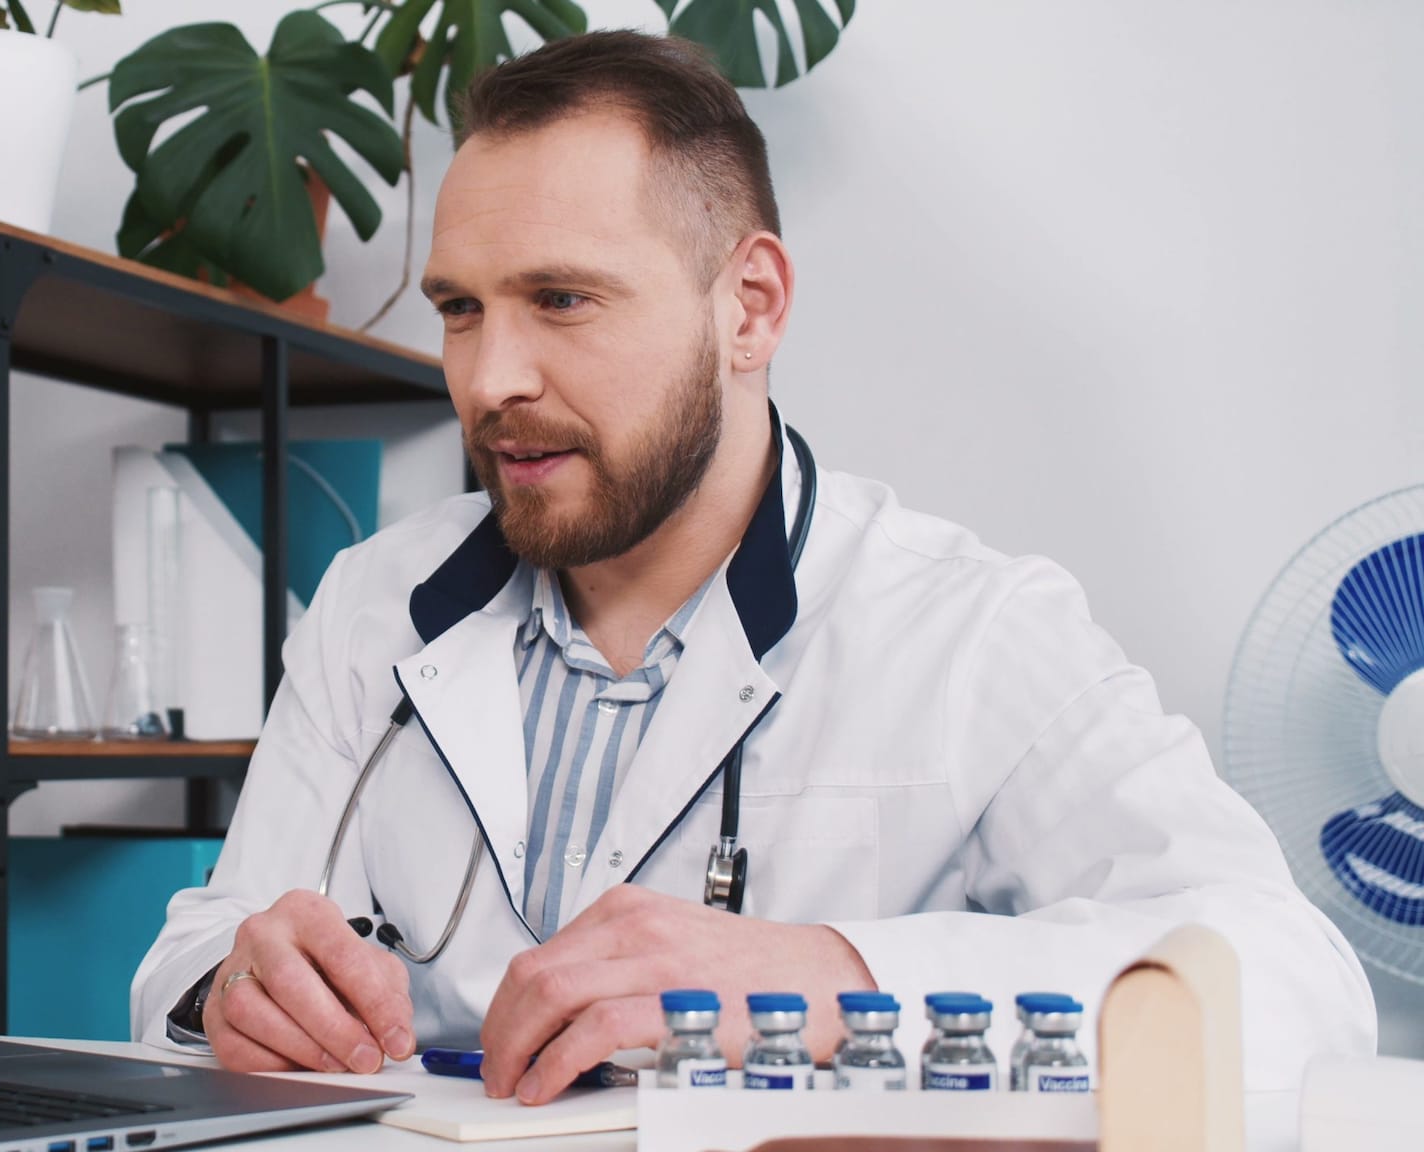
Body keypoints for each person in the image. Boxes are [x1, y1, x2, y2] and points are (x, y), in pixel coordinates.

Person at [131, 30, 1375, 1103]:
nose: (487, 378)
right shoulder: (372, 606)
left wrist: (835, 980)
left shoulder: (971, 629)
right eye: (460, 308)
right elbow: (193, 948)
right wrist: (230, 990)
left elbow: (1290, 981)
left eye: (559, 299)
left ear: (750, 305)